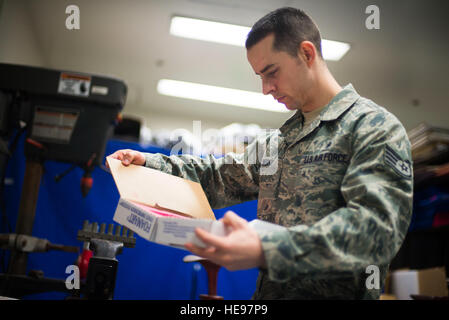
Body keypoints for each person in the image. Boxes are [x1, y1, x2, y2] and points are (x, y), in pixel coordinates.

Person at [108, 7, 413, 299]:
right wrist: (150, 163)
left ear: (307, 53)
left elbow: (377, 230)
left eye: (271, 72)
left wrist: (267, 248)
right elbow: (217, 178)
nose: (266, 88)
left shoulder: (373, 128)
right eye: (260, 76)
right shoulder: (278, 142)